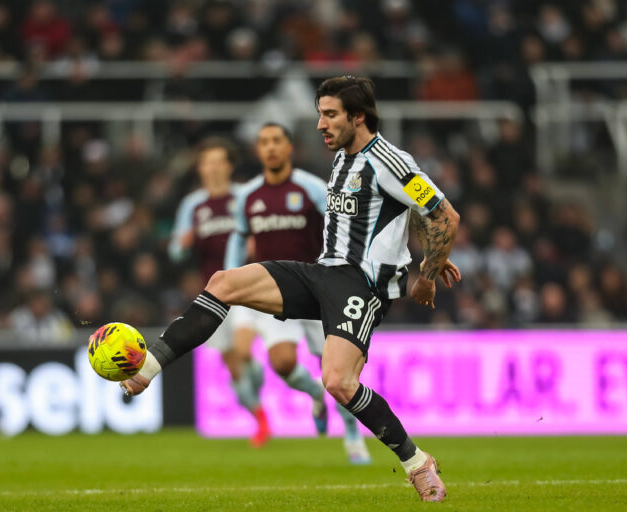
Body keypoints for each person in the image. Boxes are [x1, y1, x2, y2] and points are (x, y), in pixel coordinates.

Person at [125, 76, 461, 502]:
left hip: (361, 286)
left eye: (330, 114)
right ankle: (147, 370)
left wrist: (428, 272)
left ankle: (416, 462)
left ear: (358, 116)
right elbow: (402, 212)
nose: (320, 123)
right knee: (223, 283)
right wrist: (428, 244)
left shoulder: (390, 161)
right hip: (322, 274)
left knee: (338, 382)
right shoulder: (342, 158)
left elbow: (443, 213)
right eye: (320, 113)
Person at [225, 122, 371, 463]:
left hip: (320, 291)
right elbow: (237, 238)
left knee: (338, 370)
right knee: (283, 363)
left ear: (289, 147)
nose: (271, 147)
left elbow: (343, 229)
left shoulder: (313, 188)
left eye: (277, 140)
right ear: (258, 151)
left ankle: (352, 436)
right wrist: (231, 279)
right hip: (277, 296)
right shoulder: (248, 196)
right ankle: (316, 395)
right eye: (264, 142)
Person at [168, 137, 270, 446]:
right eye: (207, 162)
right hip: (211, 294)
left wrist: (258, 241)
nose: (212, 168)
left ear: (228, 166)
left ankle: (260, 406)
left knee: (241, 350)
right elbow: (175, 252)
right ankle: (260, 417)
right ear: (200, 168)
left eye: (218, 161)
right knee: (233, 365)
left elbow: (267, 230)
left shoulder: (244, 196)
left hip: (245, 287)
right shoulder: (192, 205)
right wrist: (181, 245)